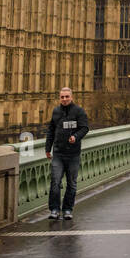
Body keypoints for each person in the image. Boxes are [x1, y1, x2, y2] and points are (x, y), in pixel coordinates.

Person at [44, 87, 89, 220]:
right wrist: (48, 148)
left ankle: (68, 209)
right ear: (60, 98)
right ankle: (55, 209)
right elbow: (51, 130)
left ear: (71, 97)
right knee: (55, 182)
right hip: (58, 152)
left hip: (73, 153)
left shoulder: (79, 111)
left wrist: (75, 137)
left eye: (67, 97)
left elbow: (85, 128)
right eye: (62, 97)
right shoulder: (56, 111)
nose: (64, 99)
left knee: (71, 183)